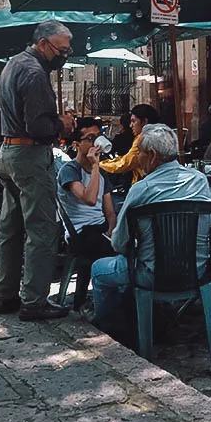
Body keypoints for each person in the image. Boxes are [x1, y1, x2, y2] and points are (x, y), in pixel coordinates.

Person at [88, 124, 211, 341]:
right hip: (198, 269)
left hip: (151, 274)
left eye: (139, 155)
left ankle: (113, 334)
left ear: (153, 156)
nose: (138, 161)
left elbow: (119, 243)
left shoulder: (141, 189)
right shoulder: (199, 181)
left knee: (99, 270)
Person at [0, 20, 77, 321]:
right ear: (43, 44)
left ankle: (5, 295)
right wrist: (62, 125)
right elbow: (39, 126)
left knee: (10, 230)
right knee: (41, 229)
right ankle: (34, 301)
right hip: (29, 154)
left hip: (9, 153)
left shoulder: (14, 64)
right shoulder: (34, 72)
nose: (64, 56)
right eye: (61, 50)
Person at [58, 117, 118, 308]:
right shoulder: (70, 170)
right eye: (90, 138)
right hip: (80, 231)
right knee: (111, 249)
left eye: (98, 137)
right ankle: (103, 304)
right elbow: (90, 199)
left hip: (99, 228)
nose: (96, 143)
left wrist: (112, 229)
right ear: (77, 144)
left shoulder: (101, 173)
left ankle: (121, 299)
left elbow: (109, 210)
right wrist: (94, 167)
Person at [99, 104, 160, 186]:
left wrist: (100, 164)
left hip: (146, 182)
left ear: (144, 121)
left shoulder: (142, 138)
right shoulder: (158, 133)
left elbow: (126, 163)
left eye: (133, 121)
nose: (131, 125)